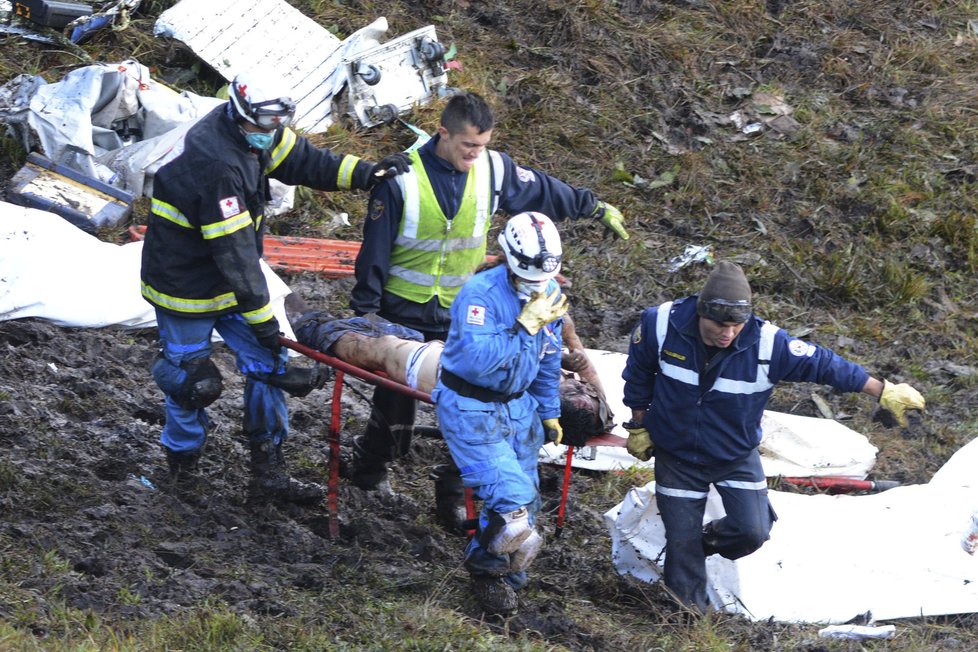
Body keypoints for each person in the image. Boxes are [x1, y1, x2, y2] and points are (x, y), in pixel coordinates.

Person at [140, 68, 410, 503]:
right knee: (191, 380)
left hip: (232, 274)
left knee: (271, 365)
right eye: (264, 124)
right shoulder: (216, 164)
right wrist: (265, 320)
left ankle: (268, 467)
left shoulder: (260, 133)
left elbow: (304, 159)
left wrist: (366, 174)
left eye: (277, 123)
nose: (272, 132)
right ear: (239, 113)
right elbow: (237, 259)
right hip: (184, 283)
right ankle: (181, 466)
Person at [348, 90, 629, 493]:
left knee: (475, 398)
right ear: (443, 133)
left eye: (482, 146)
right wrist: (366, 311)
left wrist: (591, 206)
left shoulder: (492, 170)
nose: (474, 155)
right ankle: (372, 469)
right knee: (395, 399)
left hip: (462, 311)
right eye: (467, 146)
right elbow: (373, 250)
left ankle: (457, 483)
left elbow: (542, 190)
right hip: (401, 309)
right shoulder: (401, 180)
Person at [621, 261, 926, 612]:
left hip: (733, 455)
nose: (728, 333)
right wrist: (639, 423)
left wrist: (882, 389)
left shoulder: (768, 344)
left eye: (736, 325)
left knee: (752, 530)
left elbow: (826, 365)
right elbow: (639, 372)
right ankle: (689, 620)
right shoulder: (660, 324)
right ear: (700, 312)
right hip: (676, 453)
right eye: (719, 324)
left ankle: (696, 545)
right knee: (681, 539)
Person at [432, 211, 568, 615]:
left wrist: (548, 411)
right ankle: (485, 573)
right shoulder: (480, 296)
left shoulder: (549, 293)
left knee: (529, 504)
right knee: (513, 501)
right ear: (508, 257)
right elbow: (476, 361)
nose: (536, 286)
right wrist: (524, 325)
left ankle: (508, 580)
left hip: (519, 408)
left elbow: (548, 356)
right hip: (471, 405)